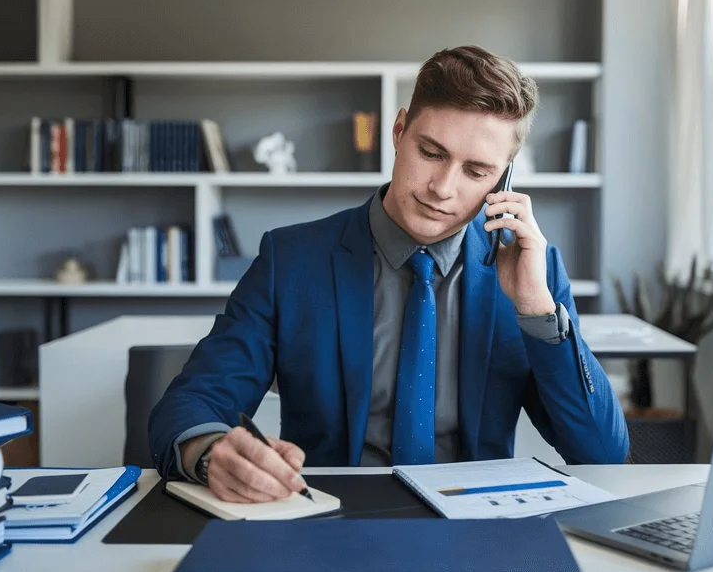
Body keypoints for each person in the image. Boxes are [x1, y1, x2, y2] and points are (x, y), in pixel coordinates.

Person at [148, 46, 628, 503]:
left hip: (477, 528)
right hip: (328, 519)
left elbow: (602, 455)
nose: (443, 188)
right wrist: (211, 454)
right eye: (432, 153)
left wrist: (537, 310)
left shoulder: (533, 273)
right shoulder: (291, 259)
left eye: (476, 171)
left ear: (504, 179)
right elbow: (194, 400)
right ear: (399, 131)